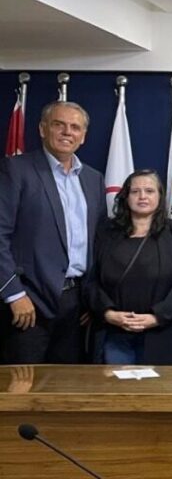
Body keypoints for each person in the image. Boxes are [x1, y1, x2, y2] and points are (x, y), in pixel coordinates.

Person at [0, 101, 105, 364]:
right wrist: (14, 294)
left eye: (75, 127)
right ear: (42, 129)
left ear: (83, 136)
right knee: (22, 383)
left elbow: (99, 242)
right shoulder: (16, 170)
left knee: (67, 384)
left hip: (77, 306)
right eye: (59, 125)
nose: (67, 132)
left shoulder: (93, 179)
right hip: (28, 301)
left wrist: (91, 300)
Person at [86, 170, 172, 365]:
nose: (142, 196)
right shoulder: (106, 232)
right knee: (115, 385)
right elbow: (91, 279)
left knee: (161, 386)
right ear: (126, 196)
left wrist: (157, 317)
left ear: (160, 196)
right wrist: (108, 314)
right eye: (135, 191)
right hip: (114, 335)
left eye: (149, 191)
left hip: (164, 334)